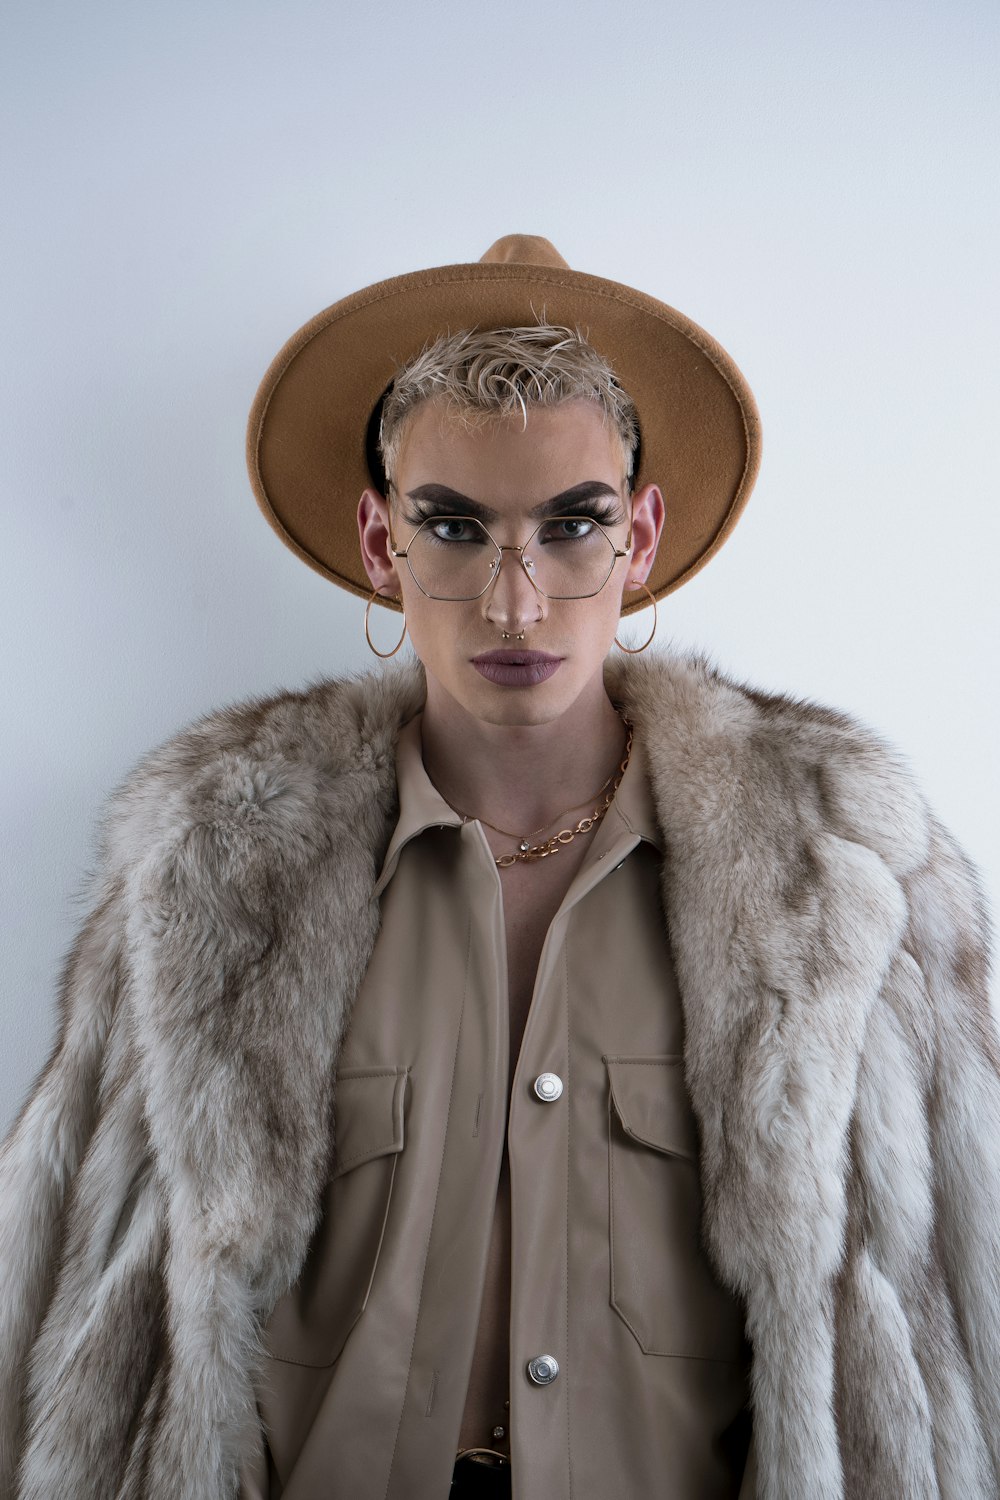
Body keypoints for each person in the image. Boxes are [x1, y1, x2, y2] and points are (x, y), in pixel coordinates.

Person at [1, 235, 997, 1500]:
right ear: (380, 544)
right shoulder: (211, 869)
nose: (515, 605)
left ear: (638, 537)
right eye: (455, 529)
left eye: (570, 527)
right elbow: (100, 1317)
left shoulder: (834, 875)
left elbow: (931, 1341)